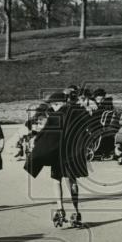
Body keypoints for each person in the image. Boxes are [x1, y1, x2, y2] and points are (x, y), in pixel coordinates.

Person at [25, 91, 93, 228]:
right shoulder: (79, 112)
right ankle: (76, 211)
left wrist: (35, 141)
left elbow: (45, 133)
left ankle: (60, 208)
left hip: (58, 153)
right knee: (72, 180)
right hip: (73, 153)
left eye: (53, 105)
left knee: (56, 180)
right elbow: (88, 126)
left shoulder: (56, 115)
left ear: (58, 103)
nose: (52, 108)